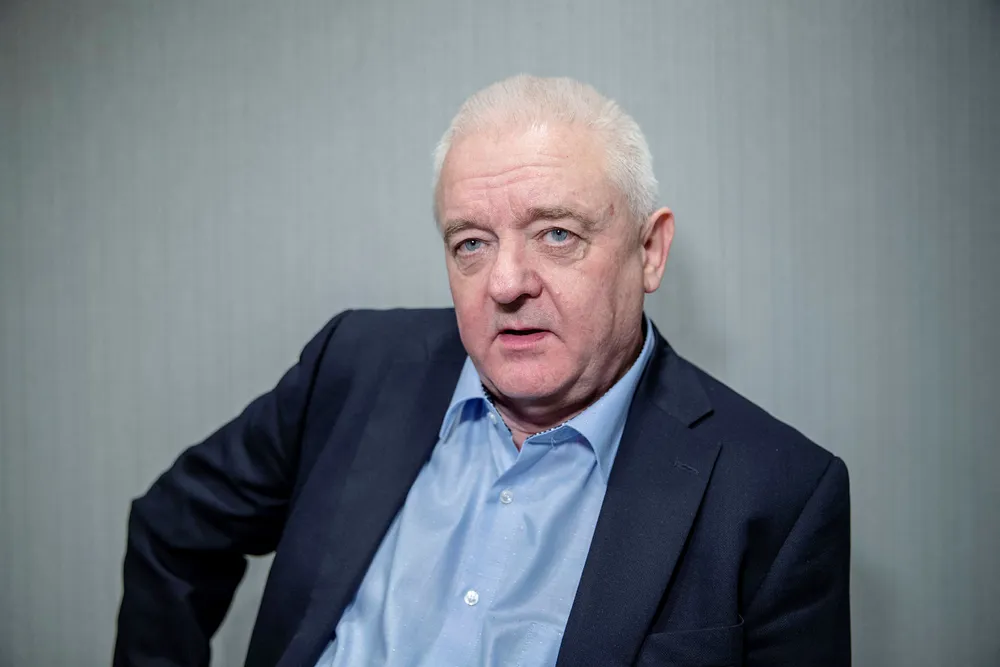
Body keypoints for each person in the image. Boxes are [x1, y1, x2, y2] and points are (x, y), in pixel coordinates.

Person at [114, 75, 850, 667]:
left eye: (556, 234)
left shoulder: (776, 491)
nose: (505, 283)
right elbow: (173, 527)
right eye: (471, 243)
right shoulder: (356, 363)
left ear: (649, 251)